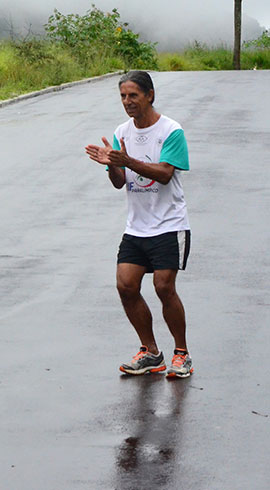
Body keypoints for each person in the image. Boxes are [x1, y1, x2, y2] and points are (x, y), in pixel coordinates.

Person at [85, 71, 193, 379]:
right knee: (126, 286)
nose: (127, 102)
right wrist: (112, 166)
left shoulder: (171, 131)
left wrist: (127, 160)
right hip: (137, 226)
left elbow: (164, 173)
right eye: (123, 96)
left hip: (170, 224)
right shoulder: (122, 131)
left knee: (163, 286)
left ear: (150, 95)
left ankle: (181, 354)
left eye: (133, 95)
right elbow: (121, 183)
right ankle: (151, 352)